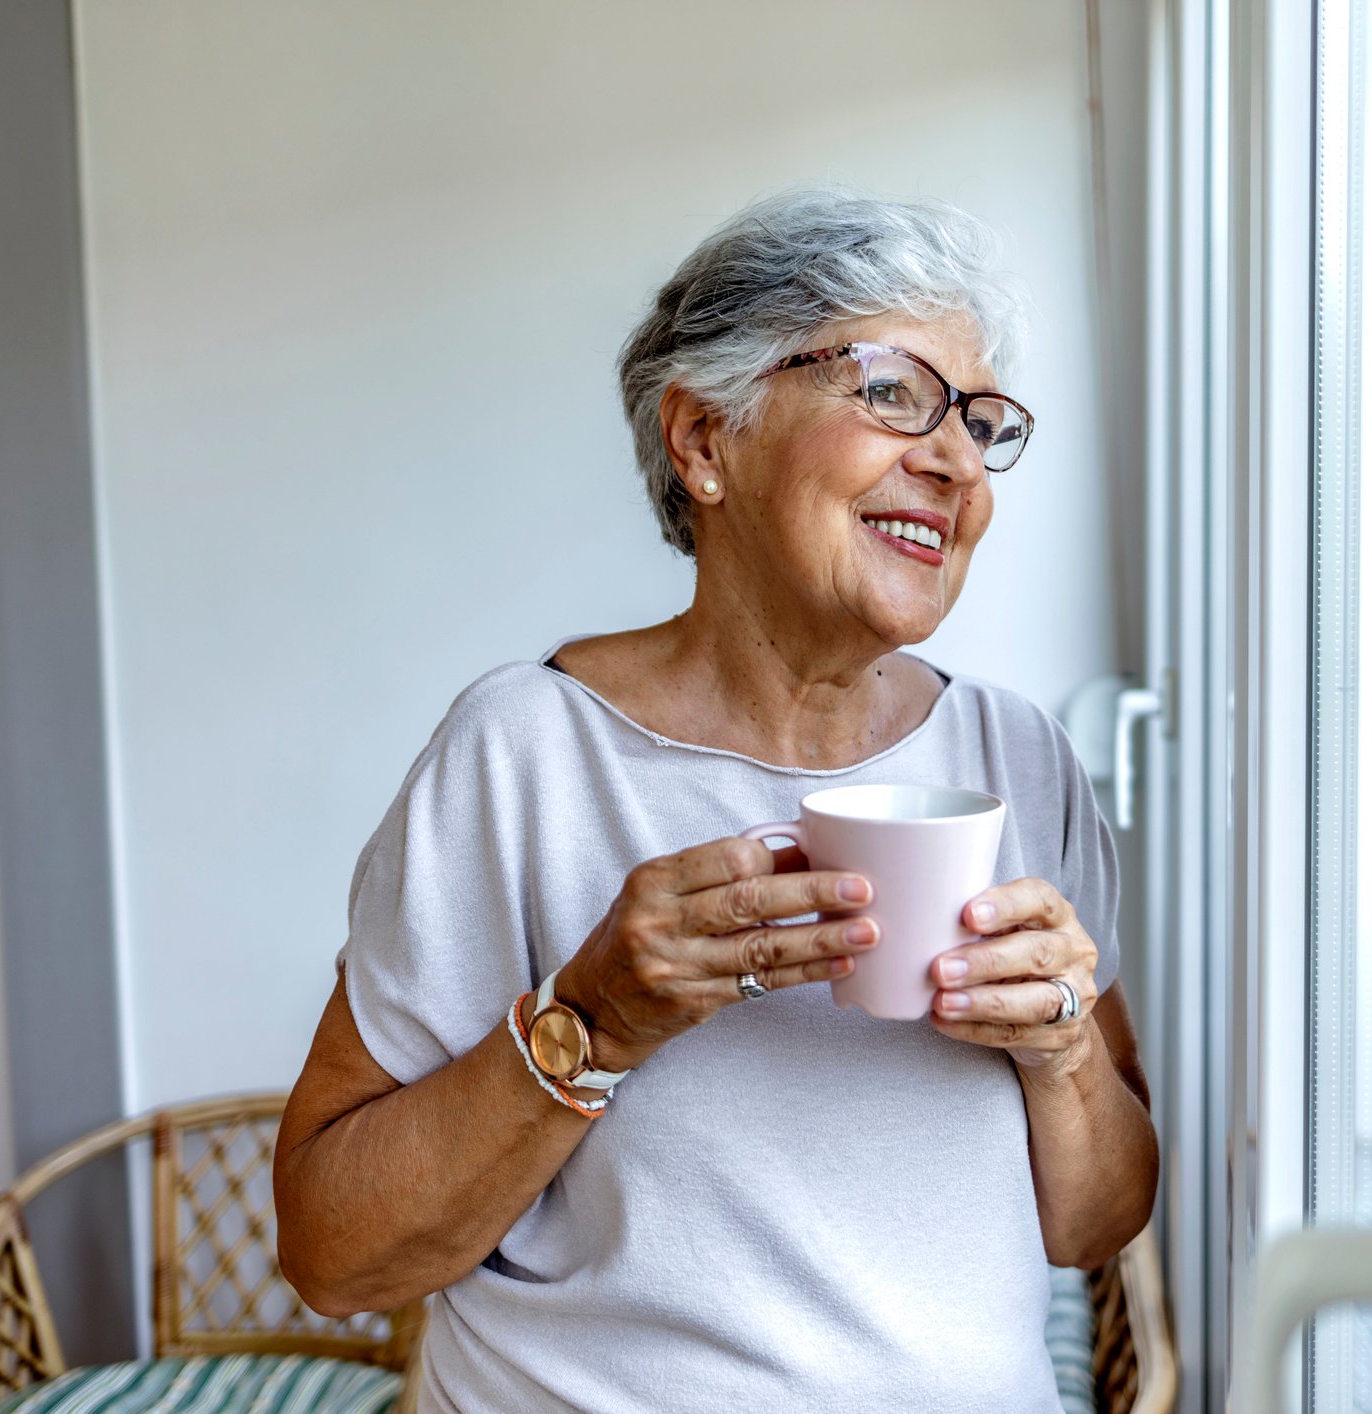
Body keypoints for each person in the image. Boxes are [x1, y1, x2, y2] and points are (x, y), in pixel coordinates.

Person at [275, 186, 1159, 1413]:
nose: (956, 459)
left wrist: (1062, 1047)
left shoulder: (1021, 757)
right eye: (893, 392)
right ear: (703, 440)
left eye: (981, 418)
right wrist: (592, 1019)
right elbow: (333, 1253)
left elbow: (1097, 1224)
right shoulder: (525, 753)